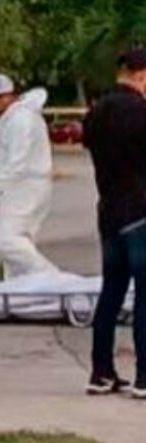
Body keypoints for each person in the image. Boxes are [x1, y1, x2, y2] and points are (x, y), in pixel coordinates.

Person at [82, 48, 146, 398]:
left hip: (108, 210)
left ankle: (101, 371)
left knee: (111, 292)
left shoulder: (96, 114)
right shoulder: (141, 112)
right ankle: (144, 376)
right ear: (142, 75)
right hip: (141, 211)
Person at [0, 73, 58, 278]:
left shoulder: (20, 119)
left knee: (6, 238)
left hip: (26, 186)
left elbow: (18, 160)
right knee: (20, 242)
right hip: (21, 185)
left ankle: (50, 276)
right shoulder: (14, 116)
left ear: (5, 96)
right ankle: (18, 289)